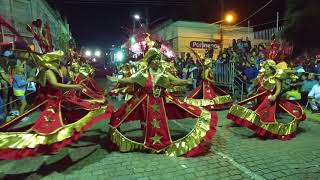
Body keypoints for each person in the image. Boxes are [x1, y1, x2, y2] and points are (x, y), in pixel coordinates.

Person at [0, 50, 113, 160]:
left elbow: (50, 83)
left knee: (64, 117)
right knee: (50, 123)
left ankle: (55, 143)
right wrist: (74, 87)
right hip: (50, 100)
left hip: (57, 99)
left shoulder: (53, 70)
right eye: (57, 60)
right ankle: (49, 146)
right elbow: (54, 84)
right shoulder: (48, 71)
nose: (59, 62)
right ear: (53, 61)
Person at [108, 48, 217, 157]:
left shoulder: (163, 73)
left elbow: (174, 80)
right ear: (150, 61)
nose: (157, 61)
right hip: (146, 103)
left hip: (161, 102)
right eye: (154, 59)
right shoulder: (143, 73)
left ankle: (161, 143)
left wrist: (185, 81)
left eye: (158, 59)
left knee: (166, 119)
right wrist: (118, 80)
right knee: (143, 121)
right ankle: (151, 144)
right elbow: (131, 80)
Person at [227, 60, 306, 140]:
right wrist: (251, 92)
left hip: (268, 98)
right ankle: (246, 124)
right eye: (265, 68)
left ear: (272, 70)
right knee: (256, 110)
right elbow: (256, 85)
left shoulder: (276, 78)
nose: (265, 70)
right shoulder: (262, 76)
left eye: (267, 69)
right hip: (260, 96)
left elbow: (279, 88)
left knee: (262, 113)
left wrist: (274, 95)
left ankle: (262, 131)